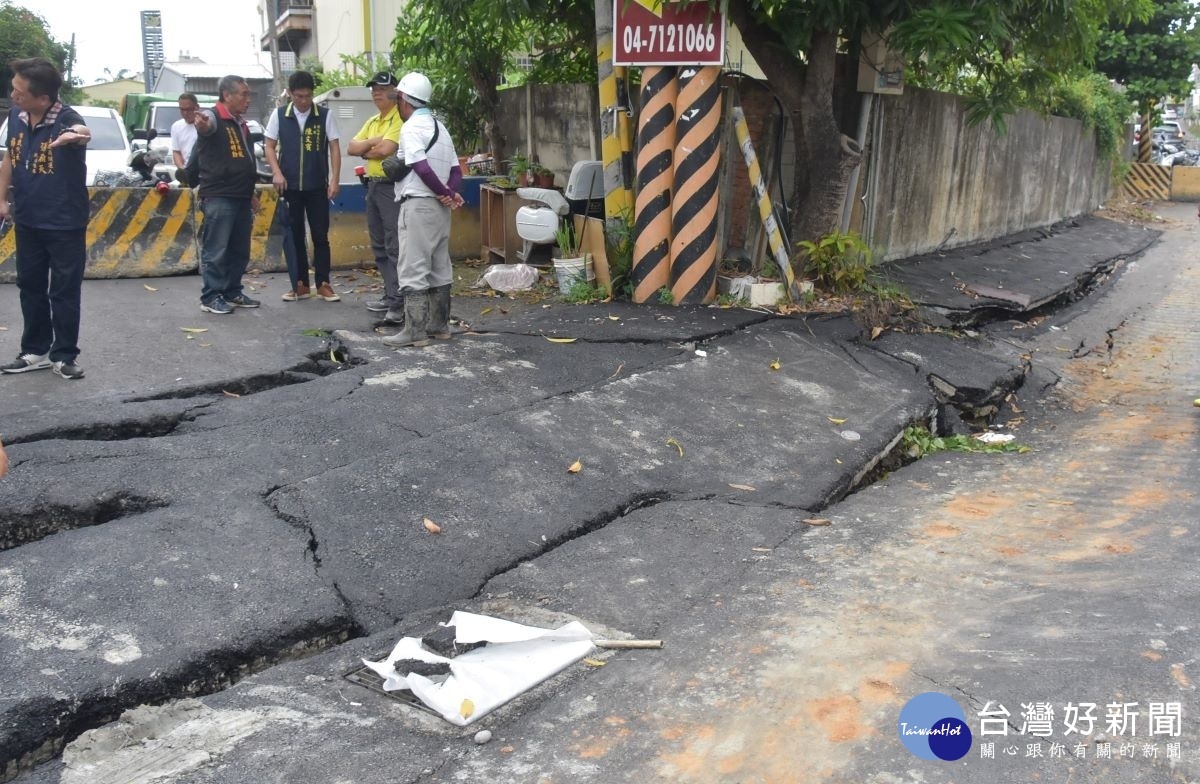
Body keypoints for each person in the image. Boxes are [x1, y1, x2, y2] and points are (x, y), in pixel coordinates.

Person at [0, 57, 91, 379]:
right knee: (30, 286)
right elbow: (10, 155)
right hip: (27, 218)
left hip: (64, 222)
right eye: (14, 89)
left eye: (19, 92)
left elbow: (81, 131)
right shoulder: (16, 115)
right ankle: (35, 350)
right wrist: (1, 198)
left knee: (64, 291)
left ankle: (64, 355)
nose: (14, 96)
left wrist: (74, 136)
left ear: (43, 98)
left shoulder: (66, 118)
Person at [383, 72, 464, 348]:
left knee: (413, 265)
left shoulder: (410, 128)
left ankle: (415, 331)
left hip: (418, 205)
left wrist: (445, 192)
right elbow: (455, 169)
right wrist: (450, 195)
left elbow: (421, 167)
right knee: (440, 265)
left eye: (398, 99)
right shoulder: (441, 129)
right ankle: (439, 326)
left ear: (404, 99)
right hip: (441, 211)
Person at [265, 70, 342, 302]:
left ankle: (324, 283)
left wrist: (335, 179)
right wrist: (277, 173)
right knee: (295, 235)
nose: (303, 101)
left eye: (308, 96)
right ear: (290, 94)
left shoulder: (324, 115)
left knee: (320, 235)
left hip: (317, 185)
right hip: (289, 187)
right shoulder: (279, 115)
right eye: (298, 96)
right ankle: (299, 284)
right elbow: (269, 146)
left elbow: (335, 148)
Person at [191, 74, 261, 314]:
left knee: (239, 249)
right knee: (217, 249)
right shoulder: (214, 116)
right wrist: (202, 125)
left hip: (241, 195)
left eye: (248, 94)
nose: (248, 99)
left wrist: (250, 193)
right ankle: (211, 296)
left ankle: (232, 290)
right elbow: (206, 124)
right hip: (220, 195)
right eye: (244, 94)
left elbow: (246, 161)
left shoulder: (239, 123)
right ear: (227, 95)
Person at [347, 71, 404, 318]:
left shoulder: (399, 118)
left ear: (395, 90)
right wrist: (374, 143)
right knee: (379, 245)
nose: (376, 92)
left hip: (391, 187)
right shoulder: (373, 121)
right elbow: (351, 147)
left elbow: (387, 149)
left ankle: (399, 302)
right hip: (372, 185)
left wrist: (368, 147)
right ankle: (391, 294)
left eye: (382, 88)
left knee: (395, 245)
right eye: (373, 88)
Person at [169, 92, 200, 179]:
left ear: (197, 107)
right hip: (188, 174)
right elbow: (176, 151)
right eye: (182, 110)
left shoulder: (204, 125)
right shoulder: (176, 126)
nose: (185, 113)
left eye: (189, 109)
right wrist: (182, 170)